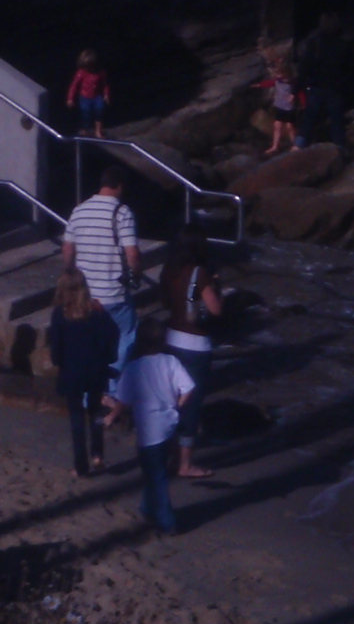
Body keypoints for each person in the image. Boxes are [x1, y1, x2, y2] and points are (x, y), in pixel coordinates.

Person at [103, 318, 193, 537]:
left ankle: (166, 521)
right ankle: (146, 508)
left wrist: (111, 416)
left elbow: (123, 401)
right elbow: (189, 387)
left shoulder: (134, 368)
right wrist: (177, 407)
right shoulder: (171, 362)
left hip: (148, 433)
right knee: (157, 472)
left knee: (156, 476)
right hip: (169, 426)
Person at [62, 164, 144, 368]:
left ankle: (92, 390)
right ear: (119, 186)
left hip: (86, 294)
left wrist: (70, 274)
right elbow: (132, 253)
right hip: (113, 293)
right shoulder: (122, 212)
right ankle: (112, 387)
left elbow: (68, 250)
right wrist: (136, 275)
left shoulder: (79, 210)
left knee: (91, 342)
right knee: (125, 336)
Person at [160, 225, 225, 479]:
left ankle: (168, 453)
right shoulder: (200, 274)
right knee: (191, 403)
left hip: (171, 338)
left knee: (171, 397)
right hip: (196, 345)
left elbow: (165, 303)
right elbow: (216, 309)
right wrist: (218, 287)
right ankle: (184, 464)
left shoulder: (168, 271)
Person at [46, 268, 120, 476]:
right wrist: (107, 358)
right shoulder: (96, 310)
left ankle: (81, 465)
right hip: (95, 370)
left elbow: (57, 347)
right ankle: (97, 454)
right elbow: (112, 334)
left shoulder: (60, 314)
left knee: (76, 418)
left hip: (72, 371)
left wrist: (58, 362)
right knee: (95, 412)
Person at [258, 56, 302, 155]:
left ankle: (295, 144)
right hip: (280, 106)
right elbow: (269, 83)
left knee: (290, 127)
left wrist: (303, 103)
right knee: (277, 125)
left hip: (289, 108)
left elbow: (299, 93)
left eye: (279, 73)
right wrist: (259, 85)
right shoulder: (278, 81)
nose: (276, 75)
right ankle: (275, 146)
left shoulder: (292, 83)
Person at [65, 48, 111, 138]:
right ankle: (84, 129)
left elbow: (105, 84)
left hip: (97, 96)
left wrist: (106, 94)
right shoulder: (81, 73)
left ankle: (98, 131)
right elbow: (74, 86)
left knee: (99, 111)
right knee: (86, 112)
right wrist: (70, 98)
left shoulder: (100, 72)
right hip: (85, 96)